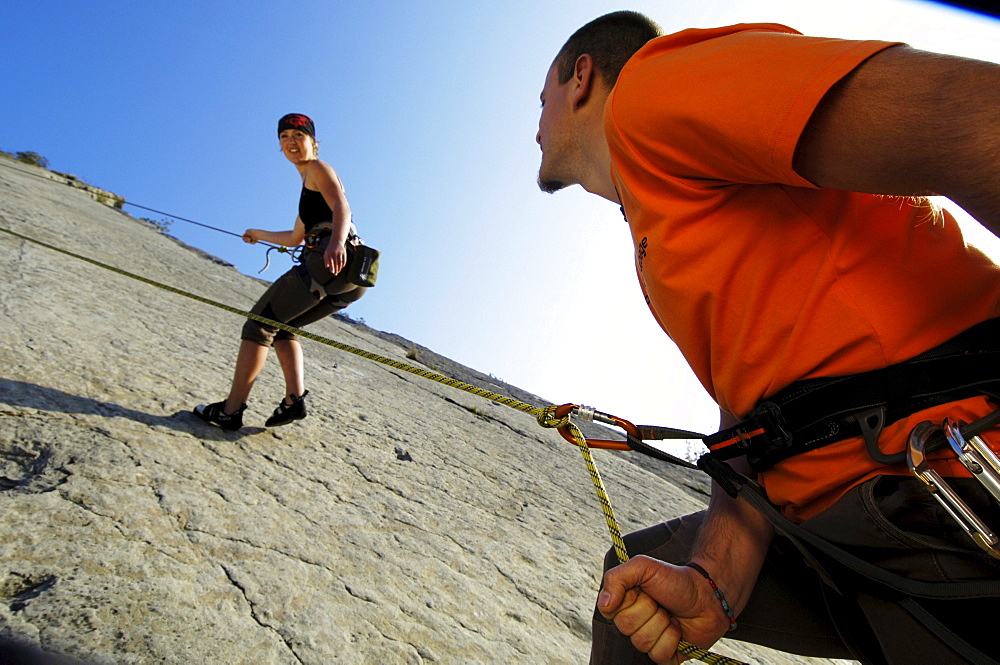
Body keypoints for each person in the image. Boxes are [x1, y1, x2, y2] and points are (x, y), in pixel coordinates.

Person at [535, 11, 1000, 665]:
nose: (536, 123)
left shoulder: (653, 93)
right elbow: (753, 407)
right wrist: (714, 579)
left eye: (541, 97)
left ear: (581, 77)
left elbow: (974, 117)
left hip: (937, 485)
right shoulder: (657, 225)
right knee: (636, 584)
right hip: (834, 523)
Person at [194, 113, 367, 431]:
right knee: (281, 328)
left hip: (333, 259)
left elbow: (342, 206)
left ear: (313, 142)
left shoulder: (318, 168)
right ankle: (294, 400)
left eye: (298, 136)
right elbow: (294, 238)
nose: (291, 142)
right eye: (285, 136)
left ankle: (230, 411)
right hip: (352, 278)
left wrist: (336, 244)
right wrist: (256, 233)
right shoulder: (307, 191)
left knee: (258, 325)